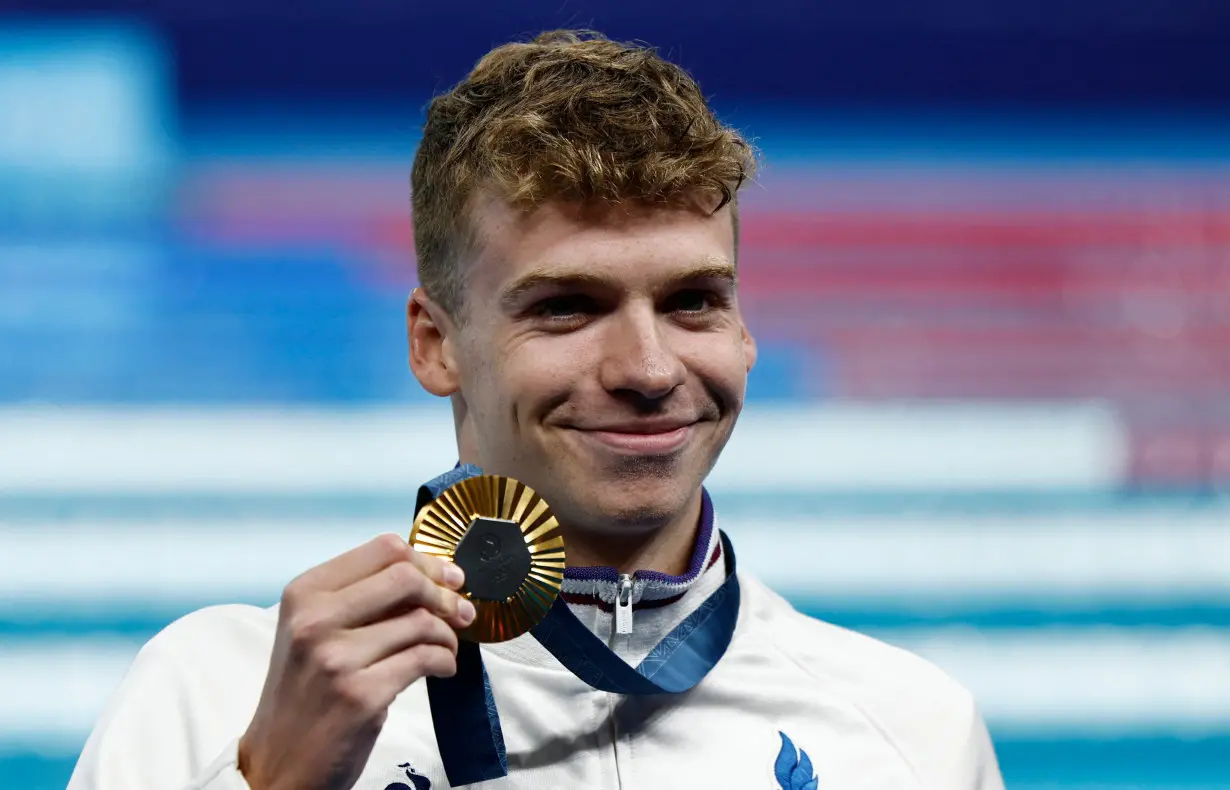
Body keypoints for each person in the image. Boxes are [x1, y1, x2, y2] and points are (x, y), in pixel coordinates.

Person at [68, 30, 1004, 790]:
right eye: (566, 307)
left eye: (693, 302)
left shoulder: (908, 733)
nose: (647, 367)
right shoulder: (215, 691)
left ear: (745, 329)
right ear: (436, 345)